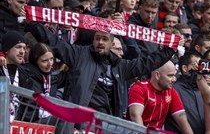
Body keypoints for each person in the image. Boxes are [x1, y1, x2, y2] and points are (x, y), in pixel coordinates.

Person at [25, 19, 177, 119]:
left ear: (112, 44)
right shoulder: (78, 54)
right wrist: (32, 22)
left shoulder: (121, 66)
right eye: (97, 38)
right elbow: (55, 42)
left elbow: (147, 63)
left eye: (104, 39)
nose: (100, 42)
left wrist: (170, 49)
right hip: (79, 121)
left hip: (108, 123)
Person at [127, 61, 193, 133]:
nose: (174, 79)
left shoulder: (171, 91)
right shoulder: (139, 88)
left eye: (174, 75)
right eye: (170, 76)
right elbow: (135, 116)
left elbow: (182, 118)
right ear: (157, 75)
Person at [16, 43, 66, 123]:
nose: (50, 64)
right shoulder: (24, 73)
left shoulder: (54, 77)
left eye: (51, 59)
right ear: (35, 61)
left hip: (47, 122)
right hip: (28, 122)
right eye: (45, 60)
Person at [164, 51, 205, 133]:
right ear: (185, 68)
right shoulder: (173, 89)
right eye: (196, 65)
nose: (199, 69)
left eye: (201, 66)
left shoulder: (203, 90)